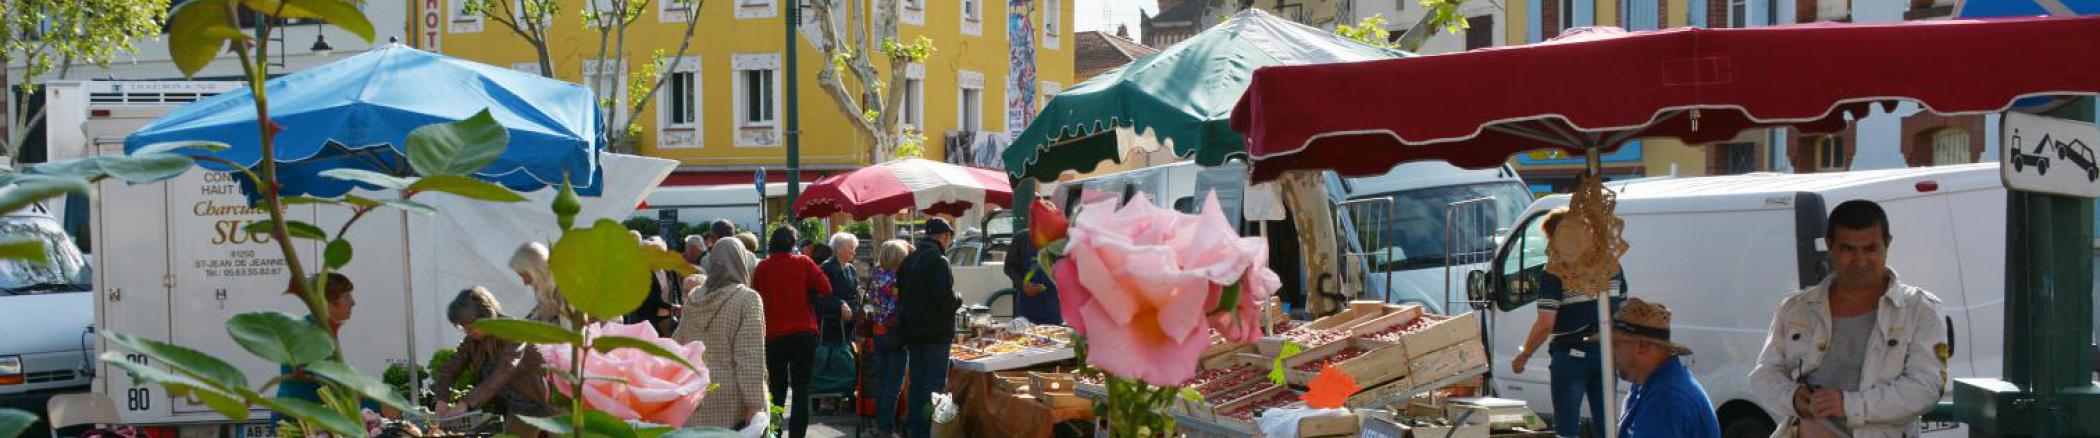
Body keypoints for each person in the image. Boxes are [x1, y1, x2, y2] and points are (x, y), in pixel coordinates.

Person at [1750, 200, 1948, 438]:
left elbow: (1925, 389)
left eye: (1870, 249)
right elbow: (1765, 375)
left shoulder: (1919, 310)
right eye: (1848, 249)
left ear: (1888, 244)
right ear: (1829, 246)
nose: (1860, 261)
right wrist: (1793, 397)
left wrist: (1848, 405)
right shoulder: (1796, 309)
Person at [1508, 207, 1626, 438]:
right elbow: (1622, 308)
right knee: (1608, 427)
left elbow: (1545, 323)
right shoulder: (1612, 265)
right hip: (1606, 353)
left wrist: (1524, 354)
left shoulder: (1555, 271)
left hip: (1571, 354)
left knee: (1566, 429)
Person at [434, 287, 558, 438]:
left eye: (471, 326)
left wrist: (465, 403)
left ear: (487, 314)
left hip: (548, 402)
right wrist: (442, 400)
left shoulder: (513, 330)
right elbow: (450, 368)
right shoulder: (472, 341)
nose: (468, 331)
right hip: (519, 408)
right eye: (463, 327)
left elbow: (505, 369)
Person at [673, 238, 769, 430]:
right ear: (741, 261)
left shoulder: (693, 297)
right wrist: (755, 404)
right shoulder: (747, 299)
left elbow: (678, 343)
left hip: (695, 392)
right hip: (733, 397)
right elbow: (750, 356)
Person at [751, 227, 833, 438]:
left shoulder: (763, 268)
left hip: (774, 333)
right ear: (793, 243)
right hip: (803, 331)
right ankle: (797, 434)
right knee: (801, 388)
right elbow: (826, 288)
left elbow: (755, 298)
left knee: (776, 388)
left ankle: (775, 432)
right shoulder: (803, 263)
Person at [1599, 298, 1720, 438]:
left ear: (1642, 347)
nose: (1611, 353)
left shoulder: (1668, 399)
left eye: (1616, 345)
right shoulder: (1649, 386)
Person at [277, 273, 382, 417]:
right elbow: (332, 385)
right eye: (347, 297)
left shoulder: (317, 329)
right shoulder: (309, 334)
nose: (353, 303)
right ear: (326, 302)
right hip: (300, 421)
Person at [897, 219, 962, 438]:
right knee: (934, 387)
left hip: (913, 333)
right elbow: (944, 299)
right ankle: (928, 430)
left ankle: (916, 428)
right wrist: (958, 300)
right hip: (936, 334)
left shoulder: (909, 260)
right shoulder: (939, 261)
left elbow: (901, 294)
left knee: (916, 383)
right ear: (944, 236)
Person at [865, 239, 913, 437]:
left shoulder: (876, 274)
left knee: (882, 383)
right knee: (893, 385)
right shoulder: (898, 279)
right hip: (895, 335)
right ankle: (885, 428)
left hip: (878, 332)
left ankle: (880, 424)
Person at [1006, 204, 1061, 325]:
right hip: (1026, 305)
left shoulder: (1059, 240)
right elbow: (1009, 267)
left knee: (1052, 336)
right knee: (1023, 338)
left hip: (1052, 303)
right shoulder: (1021, 238)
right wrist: (1023, 285)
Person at [628, 237, 684, 335]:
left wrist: (679, 306)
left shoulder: (670, 270)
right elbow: (649, 299)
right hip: (649, 319)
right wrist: (672, 307)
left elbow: (677, 291)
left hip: (670, 318)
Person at [818, 232, 863, 341]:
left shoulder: (851, 269)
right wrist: (840, 304)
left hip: (850, 322)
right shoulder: (826, 267)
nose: (854, 251)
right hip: (833, 323)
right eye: (850, 248)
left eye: (854, 248)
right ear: (839, 249)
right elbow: (822, 294)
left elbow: (856, 292)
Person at [512, 242, 568, 326]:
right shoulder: (543, 289)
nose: (525, 282)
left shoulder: (561, 292)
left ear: (535, 270)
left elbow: (569, 329)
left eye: (525, 276)